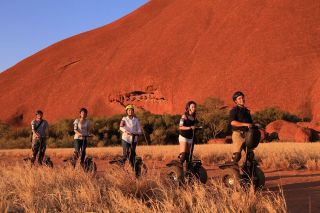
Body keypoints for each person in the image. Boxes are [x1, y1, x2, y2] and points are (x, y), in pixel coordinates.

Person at [229, 91, 253, 163]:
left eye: (242, 98)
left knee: (250, 155)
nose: (242, 99)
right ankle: (231, 170)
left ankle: (247, 170)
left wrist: (256, 125)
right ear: (235, 101)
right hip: (238, 134)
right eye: (239, 98)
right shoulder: (234, 111)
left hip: (247, 135)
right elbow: (232, 122)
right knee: (237, 155)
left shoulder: (247, 111)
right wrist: (245, 124)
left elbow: (250, 123)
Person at [178, 101, 198, 166]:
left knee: (188, 157)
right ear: (188, 108)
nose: (194, 108)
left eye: (194, 107)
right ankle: (177, 170)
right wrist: (190, 128)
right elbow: (180, 127)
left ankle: (187, 173)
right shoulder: (184, 116)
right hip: (183, 137)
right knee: (183, 155)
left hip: (190, 138)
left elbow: (194, 127)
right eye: (192, 107)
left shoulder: (194, 118)